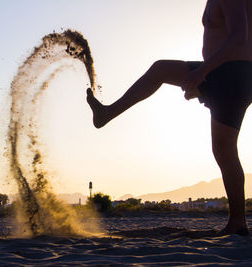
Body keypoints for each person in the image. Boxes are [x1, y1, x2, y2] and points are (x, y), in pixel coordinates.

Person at [87, 0, 252, 235]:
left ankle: (237, 223)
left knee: (225, 150)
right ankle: (106, 113)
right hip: (225, 75)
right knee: (161, 71)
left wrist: (201, 74)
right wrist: (205, 80)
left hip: (230, 74)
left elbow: (239, 37)